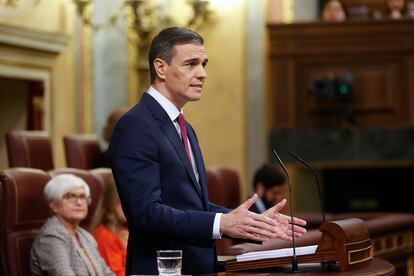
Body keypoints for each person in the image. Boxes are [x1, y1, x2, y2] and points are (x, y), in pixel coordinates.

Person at [110, 27, 307, 275]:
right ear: (160, 68)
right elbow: (146, 213)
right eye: (191, 64)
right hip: (162, 268)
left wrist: (251, 222)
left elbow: (190, 205)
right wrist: (223, 223)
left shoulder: (184, 127)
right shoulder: (136, 125)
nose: (202, 74)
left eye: (203, 64)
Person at [30, 174, 114, 276]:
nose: (79, 202)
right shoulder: (51, 237)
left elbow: (106, 273)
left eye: (82, 196)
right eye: (70, 196)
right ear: (53, 205)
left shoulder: (85, 236)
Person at [91, 179, 128, 276]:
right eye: (125, 201)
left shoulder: (126, 228)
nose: (133, 207)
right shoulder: (106, 235)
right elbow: (116, 273)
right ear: (111, 202)